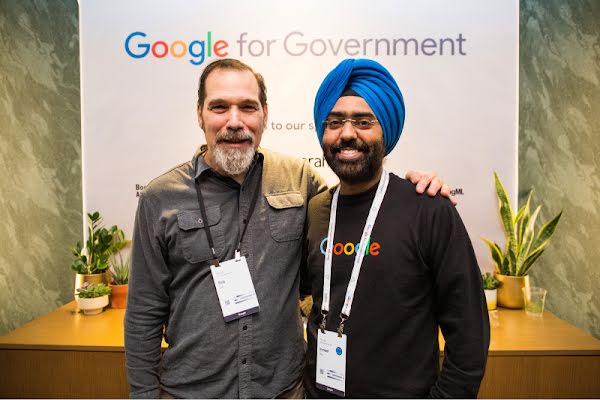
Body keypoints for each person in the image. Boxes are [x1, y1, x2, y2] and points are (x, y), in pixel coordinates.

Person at [124, 58, 453, 399]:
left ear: (264, 114)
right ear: (199, 114)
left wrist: (415, 187)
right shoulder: (159, 198)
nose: (234, 121)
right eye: (219, 107)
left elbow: (358, 208)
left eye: (247, 107)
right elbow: (143, 316)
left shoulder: (300, 180)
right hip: (189, 392)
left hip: (284, 390)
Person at [303, 59, 490, 398]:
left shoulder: (429, 210)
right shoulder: (316, 211)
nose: (347, 133)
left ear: (385, 131)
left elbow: (469, 336)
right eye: (334, 122)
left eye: (363, 121)